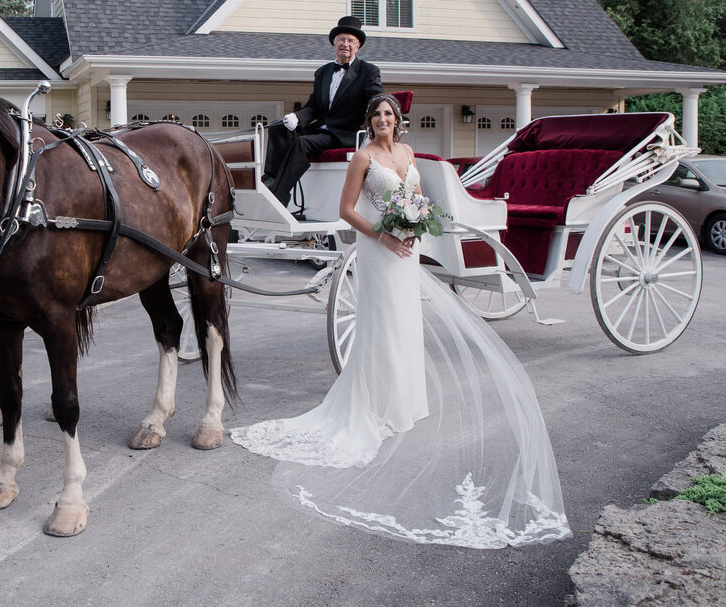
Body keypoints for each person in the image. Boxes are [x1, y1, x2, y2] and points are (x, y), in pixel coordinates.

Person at [232, 94, 571, 549]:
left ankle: (405, 401)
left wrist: (414, 222)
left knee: (406, 321)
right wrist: (385, 235)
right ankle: (378, 405)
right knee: (382, 322)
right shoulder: (363, 157)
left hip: (405, 249)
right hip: (378, 249)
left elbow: (416, 197)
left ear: (398, 121)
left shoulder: (408, 155)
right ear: (370, 122)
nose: (383, 121)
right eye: (376, 115)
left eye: (389, 115)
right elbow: (347, 211)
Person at [263, 16, 382, 207]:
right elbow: (313, 107)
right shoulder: (323, 72)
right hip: (321, 130)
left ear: (358, 46)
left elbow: (377, 99)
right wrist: (296, 117)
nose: (345, 44)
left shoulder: (368, 71)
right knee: (279, 128)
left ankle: (280, 194)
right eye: (341, 39)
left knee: (302, 143)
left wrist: (380, 124)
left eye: (351, 41)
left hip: (344, 134)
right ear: (334, 44)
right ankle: (271, 178)